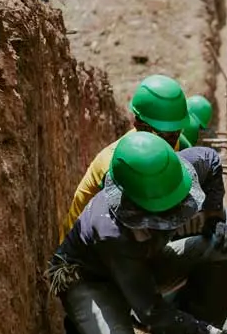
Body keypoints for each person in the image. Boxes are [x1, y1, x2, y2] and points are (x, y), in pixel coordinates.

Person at [47, 132, 227, 334]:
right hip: (93, 280)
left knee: (218, 245)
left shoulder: (175, 171)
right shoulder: (111, 232)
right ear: (137, 208)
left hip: (145, 260)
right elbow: (150, 311)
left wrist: (214, 220)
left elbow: (211, 160)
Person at [59, 74, 189, 240]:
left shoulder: (177, 144)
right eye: (166, 135)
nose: (171, 143)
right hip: (86, 248)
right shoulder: (116, 166)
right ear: (139, 125)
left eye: (176, 132)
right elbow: (117, 235)